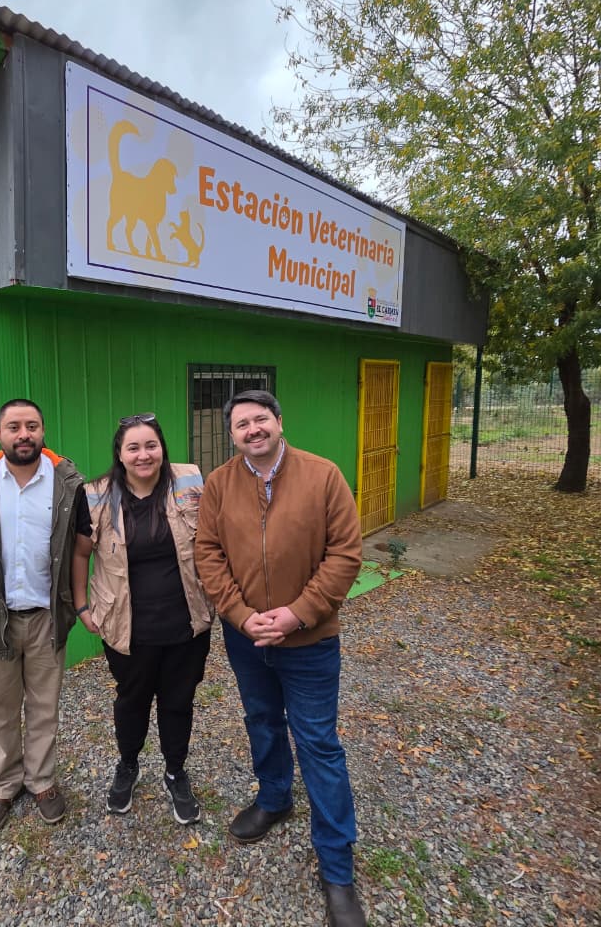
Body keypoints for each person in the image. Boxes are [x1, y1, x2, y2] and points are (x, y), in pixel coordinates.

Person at [194, 390, 367, 927]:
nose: (252, 429)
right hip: (245, 637)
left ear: (278, 421)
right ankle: (275, 798)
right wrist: (242, 615)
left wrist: (298, 613)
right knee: (263, 722)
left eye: (260, 419)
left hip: (309, 639)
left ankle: (337, 870)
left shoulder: (323, 476)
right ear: (232, 434)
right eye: (241, 423)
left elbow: (345, 552)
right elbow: (208, 552)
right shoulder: (220, 484)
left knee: (317, 742)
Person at [0, 398, 92, 835]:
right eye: (14, 427)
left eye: (32, 425)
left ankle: (42, 781)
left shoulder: (67, 482)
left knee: (45, 707)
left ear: (43, 429)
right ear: (0, 434)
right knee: (0, 708)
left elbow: (82, 544)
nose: (24, 434)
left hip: (48, 616)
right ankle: (4, 787)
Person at [73, 413, 214, 825]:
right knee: (131, 700)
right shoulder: (96, 494)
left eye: (150, 445)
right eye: (133, 447)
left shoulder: (189, 480)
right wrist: (82, 607)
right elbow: (81, 554)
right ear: (119, 454)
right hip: (125, 627)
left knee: (178, 701)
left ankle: (175, 771)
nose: (143, 454)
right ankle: (128, 765)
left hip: (186, 623)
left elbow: (214, 539)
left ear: (162, 447)